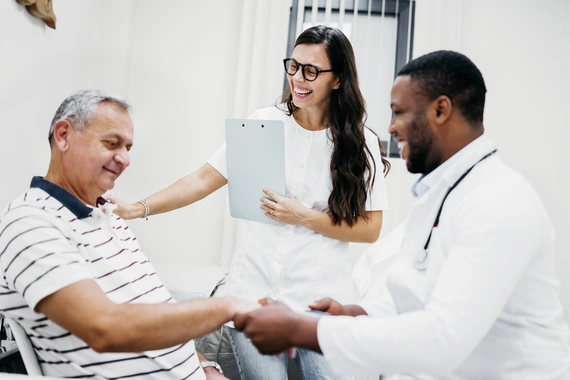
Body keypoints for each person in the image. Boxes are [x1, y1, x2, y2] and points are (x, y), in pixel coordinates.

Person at [233, 50, 570, 379]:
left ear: (441, 110)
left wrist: (304, 330)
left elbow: (442, 337)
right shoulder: (441, 193)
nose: (391, 128)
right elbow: (419, 294)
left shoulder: (498, 202)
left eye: (399, 112)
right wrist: (358, 312)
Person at [109, 25, 390, 380]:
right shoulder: (263, 124)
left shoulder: (361, 142)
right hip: (253, 294)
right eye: (293, 66)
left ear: (337, 80)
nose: (298, 79)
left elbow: (371, 229)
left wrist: (304, 216)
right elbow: (201, 180)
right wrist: (138, 208)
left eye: (312, 71)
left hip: (319, 301)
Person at [0, 90, 260, 380]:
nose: (124, 159)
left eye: (128, 147)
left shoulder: (109, 215)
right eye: (112, 144)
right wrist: (228, 307)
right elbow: (103, 328)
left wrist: (207, 367)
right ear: (63, 135)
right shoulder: (30, 221)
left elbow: (154, 309)